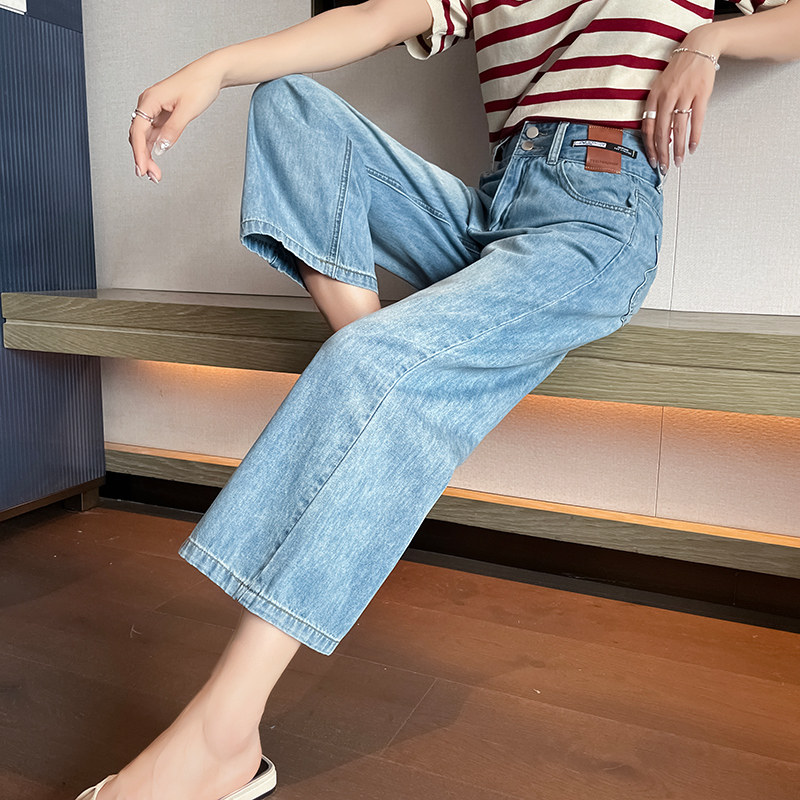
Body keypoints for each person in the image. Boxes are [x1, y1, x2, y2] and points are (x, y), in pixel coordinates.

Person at [78, 0, 799, 798]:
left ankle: (223, 736)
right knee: (289, 103)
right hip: (493, 212)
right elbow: (375, 17)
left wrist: (711, 39)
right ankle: (389, 395)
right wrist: (215, 66)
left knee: (370, 363)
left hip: (596, 218)